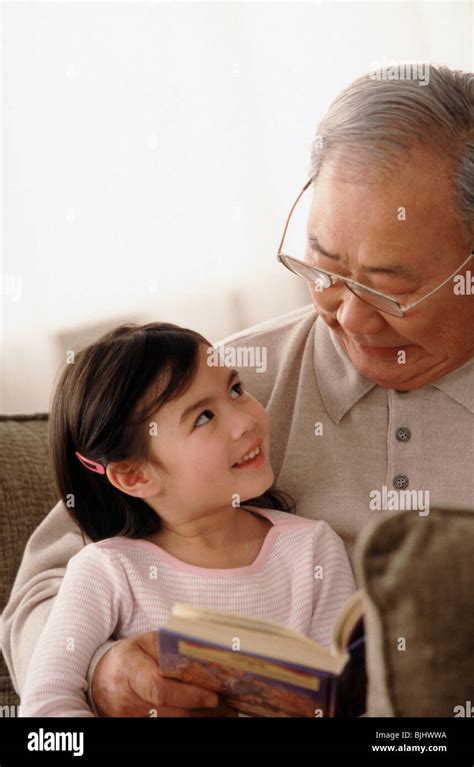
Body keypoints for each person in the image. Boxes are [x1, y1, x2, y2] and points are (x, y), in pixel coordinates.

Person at [2, 63, 473, 717]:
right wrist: (104, 670)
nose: (349, 318)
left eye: (393, 289)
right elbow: (46, 583)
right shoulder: (231, 382)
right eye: (324, 268)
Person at [18, 322, 355, 717]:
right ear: (135, 476)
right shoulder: (106, 571)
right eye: (203, 417)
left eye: (235, 390)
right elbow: (46, 708)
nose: (245, 421)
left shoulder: (312, 548)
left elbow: (346, 701)